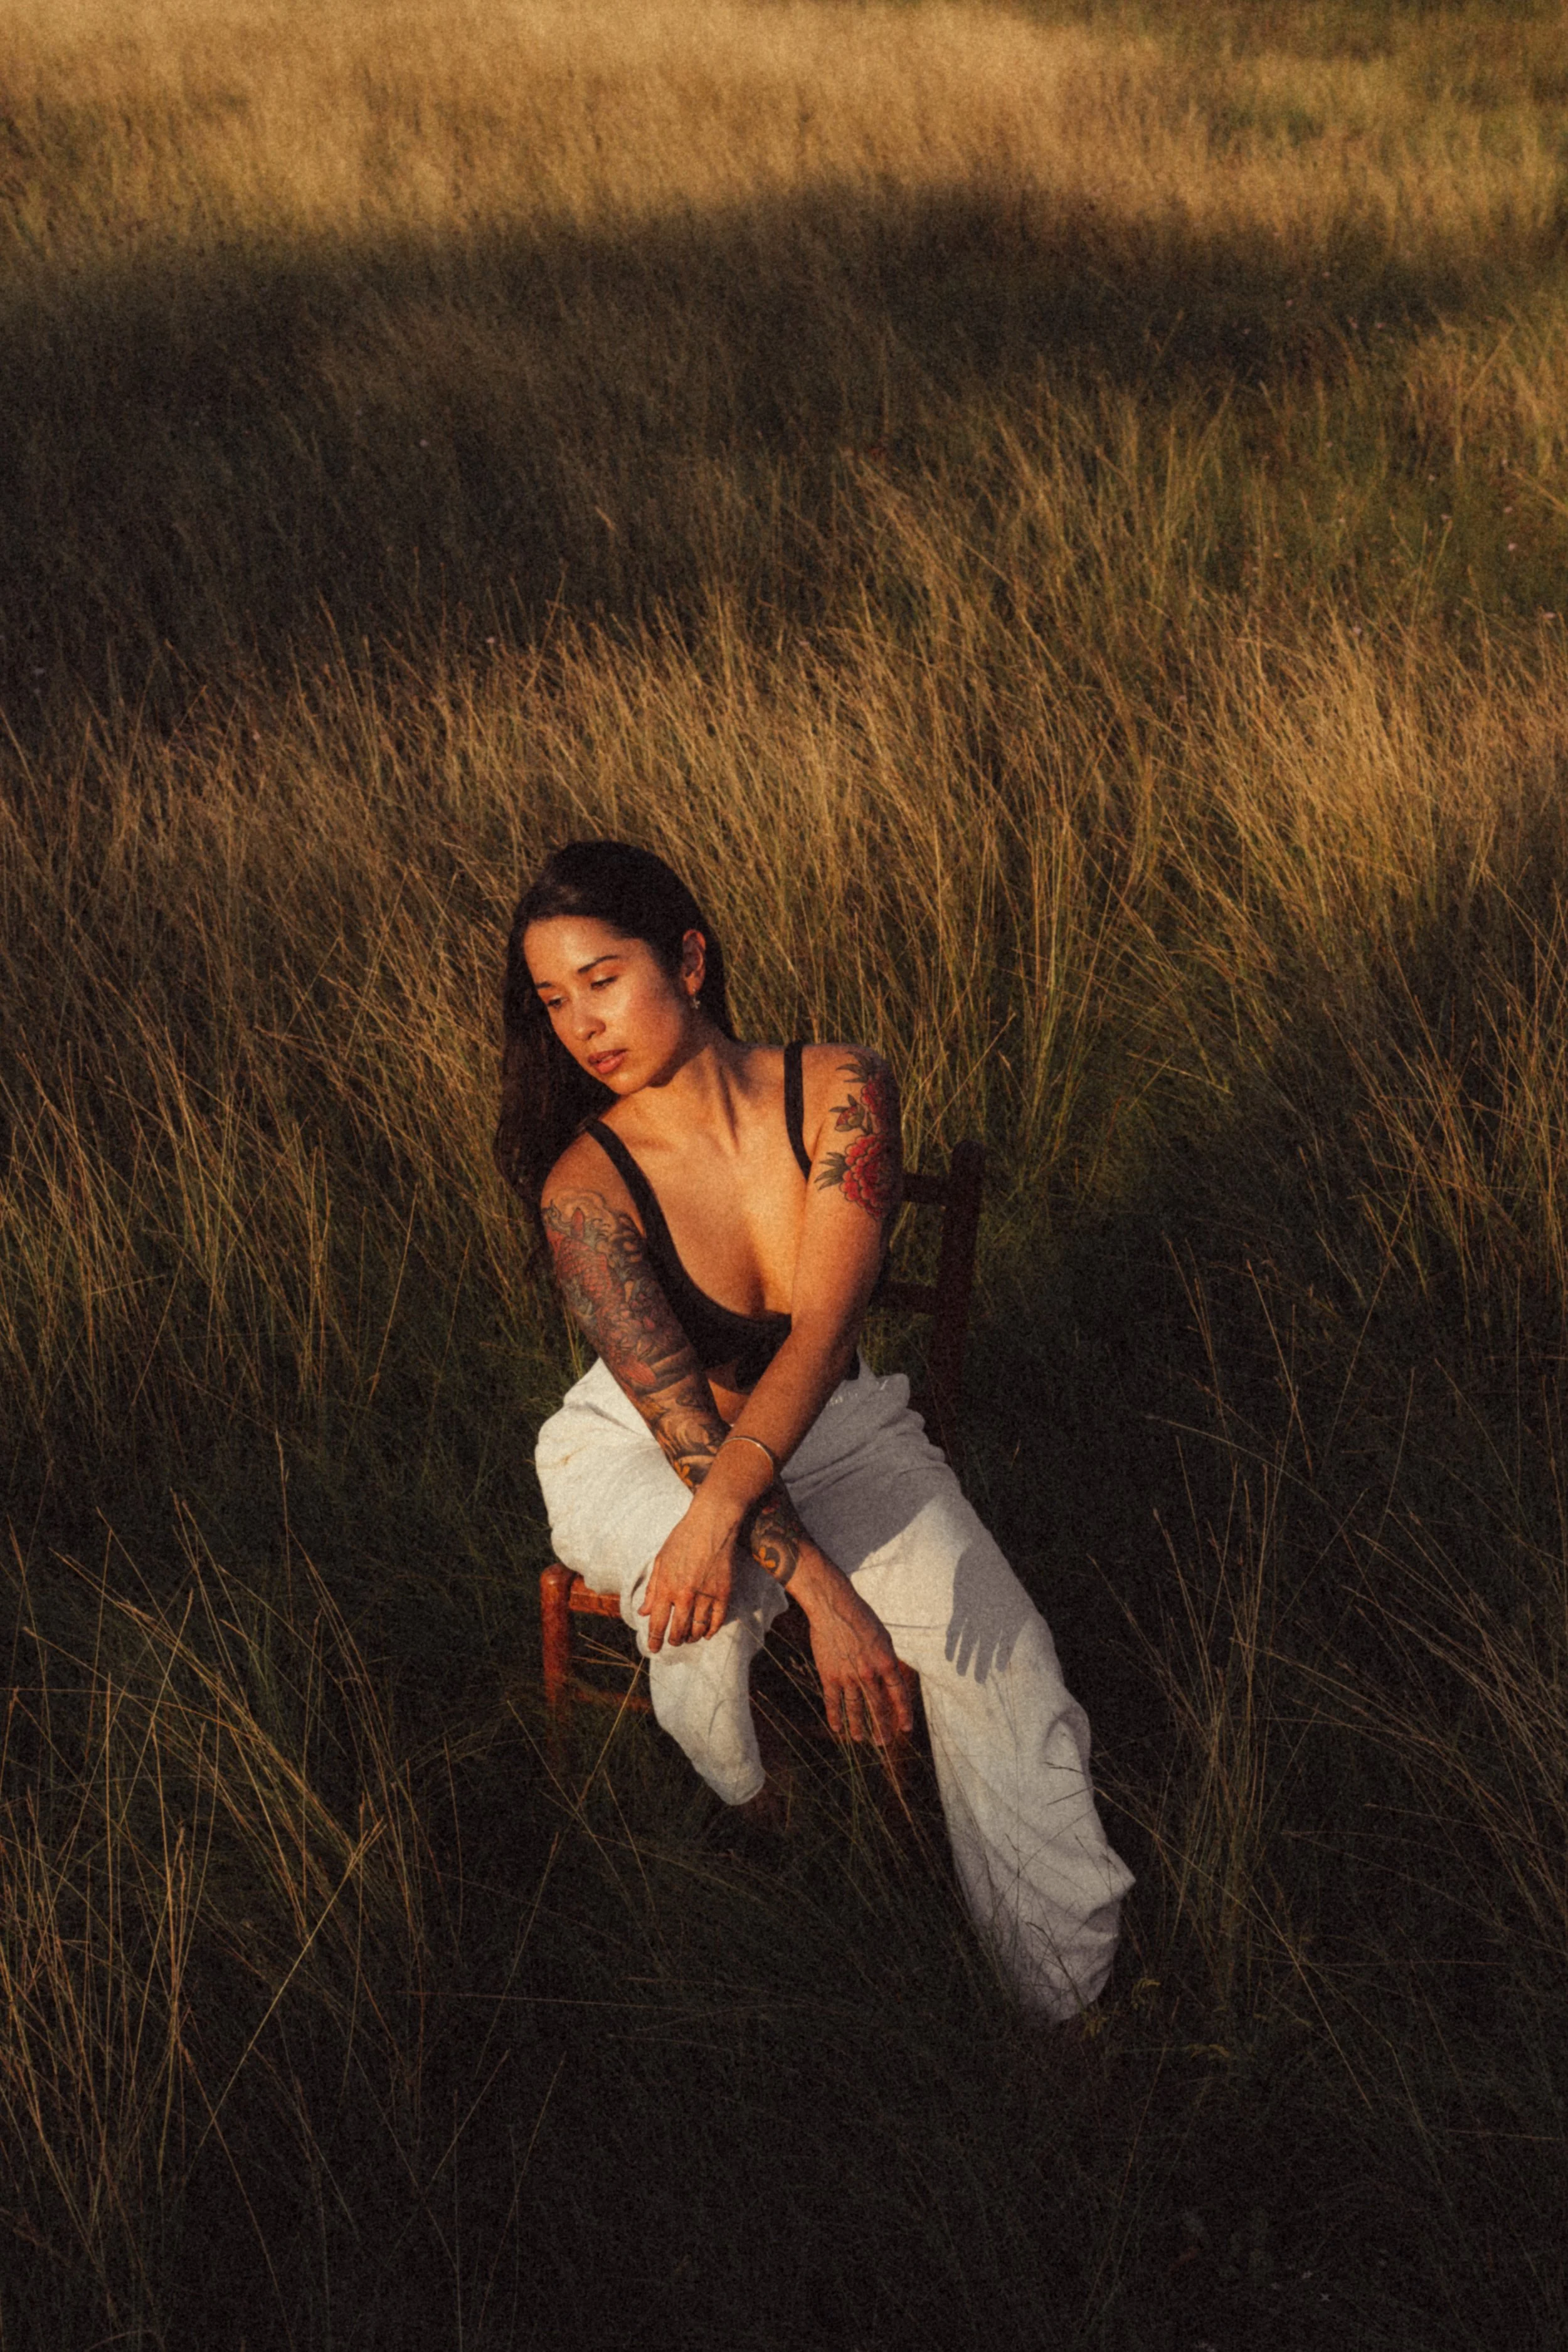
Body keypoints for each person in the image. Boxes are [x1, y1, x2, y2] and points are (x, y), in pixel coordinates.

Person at [496, 839, 1131, 2018]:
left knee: (1011, 1664)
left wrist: (745, 1525)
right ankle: (765, 1811)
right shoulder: (584, 1190)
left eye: (602, 977)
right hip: (639, 1446)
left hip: (828, 1422)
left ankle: (1066, 1999)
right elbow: (688, 1435)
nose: (582, 1024)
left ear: (688, 958)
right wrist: (829, 1595)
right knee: (723, 1599)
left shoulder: (842, 1090)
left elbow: (823, 1337)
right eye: (552, 1002)